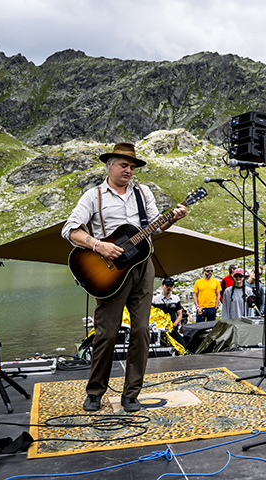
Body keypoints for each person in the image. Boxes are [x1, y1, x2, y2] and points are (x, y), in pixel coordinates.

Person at [62, 142, 188, 413]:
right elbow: (70, 230)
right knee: (106, 333)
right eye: (123, 165)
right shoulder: (93, 196)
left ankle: (132, 394)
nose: (129, 170)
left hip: (143, 267)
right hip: (110, 271)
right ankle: (95, 391)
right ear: (109, 165)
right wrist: (99, 245)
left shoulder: (143, 193)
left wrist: (173, 218)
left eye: (132, 166)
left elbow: (156, 225)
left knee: (141, 331)